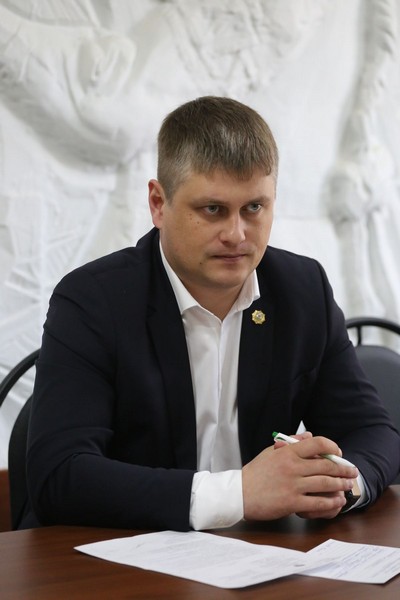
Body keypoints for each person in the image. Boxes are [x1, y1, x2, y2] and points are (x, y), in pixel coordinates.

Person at [23, 96, 400, 530]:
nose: (236, 234)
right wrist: (239, 494)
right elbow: (60, 475)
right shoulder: (92, 300)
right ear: (158, 203)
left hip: (259, 553)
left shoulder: (302, 289)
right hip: (117, 553)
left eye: (254, 208)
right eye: (213, 210)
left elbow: (373, 432)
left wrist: (339, 485)